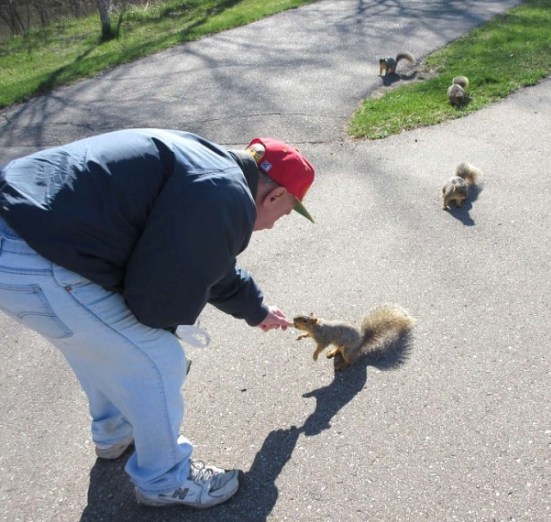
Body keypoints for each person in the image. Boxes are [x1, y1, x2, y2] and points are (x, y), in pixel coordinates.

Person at [0, 128, 315, 509]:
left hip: (23, 226)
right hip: (35, 254)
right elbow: (156, 305)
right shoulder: (227, 197)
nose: (277, 222)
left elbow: (198, 256)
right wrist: (167, 339)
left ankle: (114, 431)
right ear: (276, 195)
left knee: (101, 344)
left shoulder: (208, 164)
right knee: (158, 358)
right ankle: (164, 479)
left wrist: (256, 309)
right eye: (285, 212)